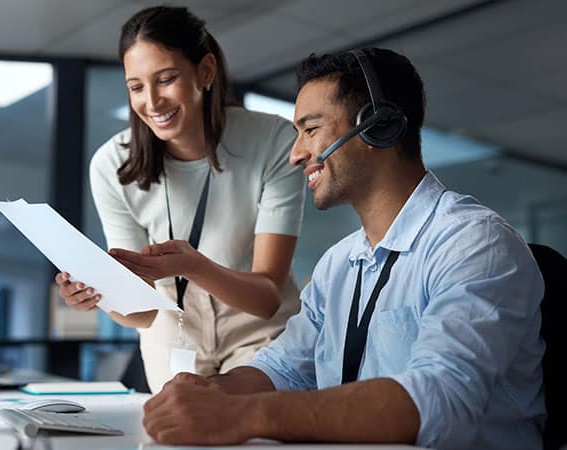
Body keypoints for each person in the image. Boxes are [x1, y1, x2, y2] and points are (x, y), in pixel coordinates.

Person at [142, 48, 545, 450]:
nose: (296, 154)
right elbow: (283, 368)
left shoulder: (474, 244)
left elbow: (440, 400)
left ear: (378, 127)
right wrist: (210, 394)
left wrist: (249, 415)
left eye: (311, 129)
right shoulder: (340, 264)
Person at [55, 6, 305, 393]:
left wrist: (194, 266)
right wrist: (98, 294)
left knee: (252, 427)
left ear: (205, 72)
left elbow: (267, 298)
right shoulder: (112, 164)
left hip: (261, 334)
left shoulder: (273, 142)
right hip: (175, 339)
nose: (152, 102)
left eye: (166, 79)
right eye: (136, 86)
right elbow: (141, 311)